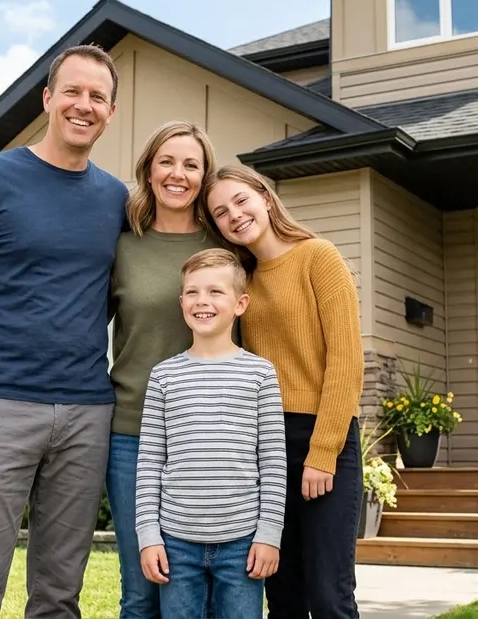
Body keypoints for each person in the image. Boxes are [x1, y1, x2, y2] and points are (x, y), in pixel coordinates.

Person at [0, 120, 227, 618]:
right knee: (141, 587)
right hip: (131, 427)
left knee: (213, 580)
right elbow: (73, 303)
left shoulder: (226, 251)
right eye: (166, 161)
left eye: (192, 164)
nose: (178, 174)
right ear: (147, 170)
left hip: (210, 435)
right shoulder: (124, 242)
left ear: (205, 175)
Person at [0, 43, 125, 619]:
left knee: (60, 596)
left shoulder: (116, 199)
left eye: (98, 96)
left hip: (88, 411)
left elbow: (119, 293)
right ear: (48, 99)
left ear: (110, 112)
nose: (83, 105)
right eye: (73, 92)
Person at [203, 163, 365, 618]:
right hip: (266, 447)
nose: (234, 215)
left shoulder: (319, 256)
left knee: (329, 594)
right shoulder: (243, 285)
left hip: (322, 439)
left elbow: (347, 361)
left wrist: (323, 451)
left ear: (265, 197)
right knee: (283, 593)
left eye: (240, 201)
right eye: (220, 212)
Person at [134, 248, 287, 619]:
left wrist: (269, 535)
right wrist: (148, 536)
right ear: (181, 301)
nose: (202, 301)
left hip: (242, 542)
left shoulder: (260, 375)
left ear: (240, 303)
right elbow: (151, 460)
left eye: (216, 292)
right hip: (175, 543)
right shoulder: (164, 376)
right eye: (192, 292)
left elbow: (272, 461)